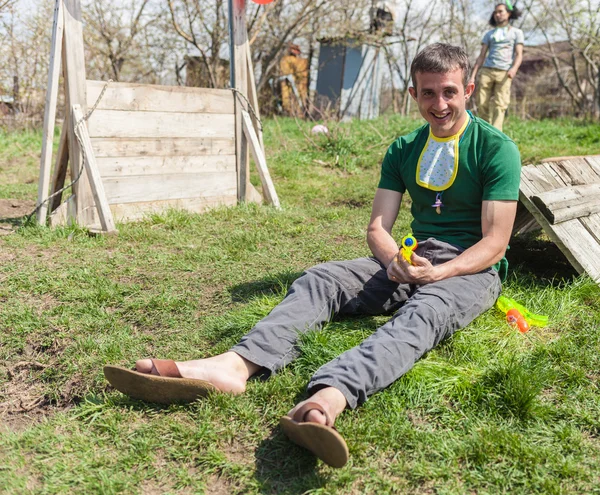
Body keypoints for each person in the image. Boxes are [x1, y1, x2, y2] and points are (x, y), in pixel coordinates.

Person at [104, 43, 522, 469]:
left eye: (449, 92)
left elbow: (495, 243)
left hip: (471, 268)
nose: (440, 104)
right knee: (321, 279)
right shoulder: (402, 148)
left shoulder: (495, 149)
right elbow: (377, 227)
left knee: (423, 315)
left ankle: (328, 398)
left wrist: (441, 273)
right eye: (428, 93)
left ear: (468, 89)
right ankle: (234, 366)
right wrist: (396, 259)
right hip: (415, 257)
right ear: (413, 94)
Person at [469, 2, 524, 131]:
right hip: (487, 71)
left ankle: (495, 134)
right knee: (482, 103)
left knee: (500, 105)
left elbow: (519, 54)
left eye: (500, 12)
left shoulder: (516, 33)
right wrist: (472, 76)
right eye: (495, 12)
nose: (497, 14)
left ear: (508, 13)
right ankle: (485, 131)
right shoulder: (489, 34)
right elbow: (481, 56)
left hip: (504, 72)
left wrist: (514, 69)